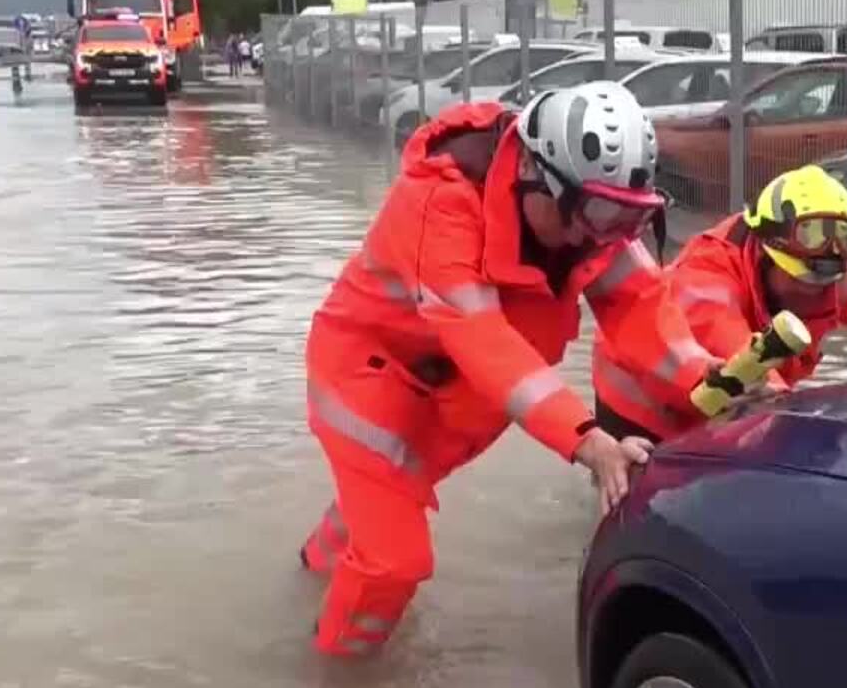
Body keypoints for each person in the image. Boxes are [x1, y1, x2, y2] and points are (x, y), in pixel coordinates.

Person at [298, 80, 716, 658]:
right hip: (367, 376)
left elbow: (643, 308)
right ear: (538, 178)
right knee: (396, 562)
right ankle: (335, 675)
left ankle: (313, 567)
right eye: (599, 212)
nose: (605, 236)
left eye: (627, 217)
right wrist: (588, 440)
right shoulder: (441, 204)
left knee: (385, 501)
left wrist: (713, 380)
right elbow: (483, 338)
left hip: (452, 393)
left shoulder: (591, 221)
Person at [591, 164, 847, 442]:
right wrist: (785, 412)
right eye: (801, 281)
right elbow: (734, 349)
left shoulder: (834, 269)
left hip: (724, 400)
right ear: (766, 253)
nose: (813, 292)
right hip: (640, 404)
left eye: (822, 284)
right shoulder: (705, 279)